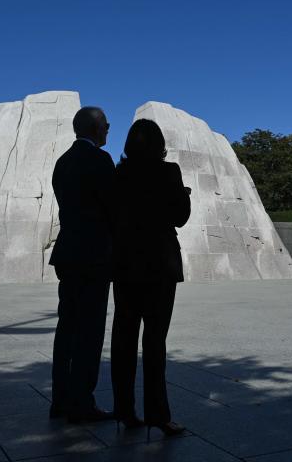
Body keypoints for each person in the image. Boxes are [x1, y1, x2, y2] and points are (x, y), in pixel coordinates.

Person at [110, 119, 191, 437]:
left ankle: (124, 410)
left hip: (126, 265)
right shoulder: (168, 171)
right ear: (160, 145)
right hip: (159, 265)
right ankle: (158, 414)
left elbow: (111, 216)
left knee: (124, 337)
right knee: (155, 341)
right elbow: (180, 217)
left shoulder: (119, 174)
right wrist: (183, 194)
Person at [48, 106, 115, 423]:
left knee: (67, 329)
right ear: (95, 128)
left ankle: (60, 399)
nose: (109, 129)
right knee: (89, 331)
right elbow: (112, 209)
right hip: (94, 256)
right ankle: (82, 402)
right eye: (106, 124)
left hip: (68, 254)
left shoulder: (62, 162)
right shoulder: (100, 161)